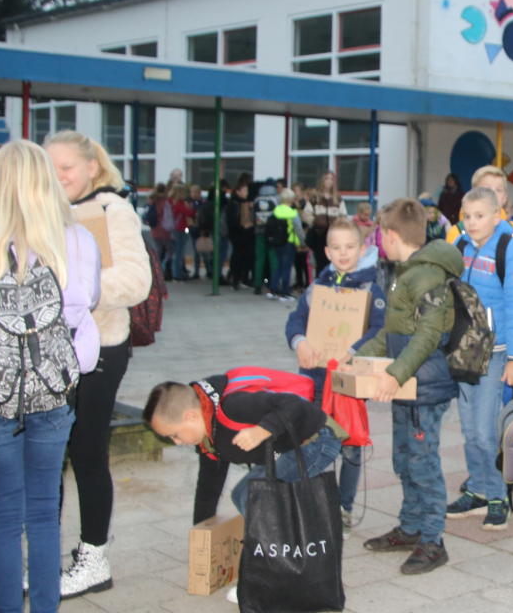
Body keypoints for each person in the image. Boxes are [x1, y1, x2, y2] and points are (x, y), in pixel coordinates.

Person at [0, 140, 103, 613]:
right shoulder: (77, 240)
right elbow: (89, 300)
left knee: (2, 515)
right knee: (43, 512)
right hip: (53, 389)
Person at [44, 131, 153, 599]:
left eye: (66, 167)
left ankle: (93, 559)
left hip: (101, 348)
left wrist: (69, 287)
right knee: (47, 456)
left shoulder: (112, 210)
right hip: (49, 350)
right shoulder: (42, 209)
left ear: (91, 167)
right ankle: (46, 557)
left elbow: (136, 280)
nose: (58, 177)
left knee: (87, 451)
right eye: (50, 168)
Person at [143, 369, 344, 604]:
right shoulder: (208, 436)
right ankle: (286, 549)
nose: (177, 443)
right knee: (243, 494)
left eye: (175, 435)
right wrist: (203, 541)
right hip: (287, 448)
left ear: (190, 417)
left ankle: (273, 578)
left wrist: (262, 430)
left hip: (316, 441)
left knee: (259, 502)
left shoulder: (231, 406)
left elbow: (293, 404)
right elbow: (208, 486)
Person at [354, 199, 462, 575]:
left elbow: (428, 335)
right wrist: (355, 359)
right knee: (404, 459)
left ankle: (433, 541)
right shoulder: (405, 272)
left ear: (390, 235)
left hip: (424, 388)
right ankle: (411, 527)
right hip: (406, 386)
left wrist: (394, 375)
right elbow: (391, 333)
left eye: (379, 233)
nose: (378, 239)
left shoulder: (427, 276)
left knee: (422, 463)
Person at [285, 217, 386, 538]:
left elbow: (379, 329)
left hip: (348, 384)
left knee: (350, 446)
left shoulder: (372, 289)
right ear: (327, 252)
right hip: (314, 381)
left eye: (350, 247)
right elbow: (295, 321)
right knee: (312, 442)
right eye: (337, 248)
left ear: (362, 249)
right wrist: (299, 341)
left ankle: (343, 507)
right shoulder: (316, 288)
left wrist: (353, 351)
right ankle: (314, 505)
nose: (343, 253)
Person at [446, 186, 513, 528]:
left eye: (479, 215)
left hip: (495, 354)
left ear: (497, 216)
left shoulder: (509, 249)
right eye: (467, 216)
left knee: (484, 430)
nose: (472, 222)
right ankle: (478, 490)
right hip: (463, 353)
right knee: (469, 429)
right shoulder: (459, 246)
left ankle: (498, 497)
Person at [445, 166, 513, 259]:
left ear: (504, 197)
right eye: (486, 189)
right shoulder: (457, 232)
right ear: (473, 194)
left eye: (499, 190)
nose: (493, 194)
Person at [268, 188, 306, 301]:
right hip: (289, 243)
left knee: (279, 266)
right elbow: (298, 229)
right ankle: (285, 293)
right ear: (292, 199)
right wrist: (304, 242)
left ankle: (273, 289)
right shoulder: (293, 213)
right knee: (287, 268)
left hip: (277, 243)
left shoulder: (275, 211)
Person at [306, 171, 342, 278]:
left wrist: (338, 225)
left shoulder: (337, 198)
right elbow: (306, 213)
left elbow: (343, 215)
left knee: (333, 262)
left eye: (331, 179)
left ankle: (332, 284)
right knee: (320, 263)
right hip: (319, 234)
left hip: (333, 235)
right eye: (327, 178)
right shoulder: (315, 197)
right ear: (322, 180)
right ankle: (320, 284)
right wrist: (316, 222)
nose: (329, 181)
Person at [251, 177, 280, 296]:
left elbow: (252, 217)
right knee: (273, 257)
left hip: (259, 231)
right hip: (273, 232)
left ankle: (258, 285)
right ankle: (274, 285)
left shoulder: (257, 199)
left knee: (259, 258)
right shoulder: (277, 198)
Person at [224, 178, 254, 290]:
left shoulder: (245, 203)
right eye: (244, 190)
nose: (246, 193)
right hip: (238, 236)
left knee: (244, 257)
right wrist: (242, 226)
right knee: (238, 257)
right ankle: (236, 279)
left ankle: (240, 278)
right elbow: (232, 221)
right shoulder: (234, 204)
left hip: (244, 235)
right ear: (238, 191)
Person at [146, 183, 175, 281]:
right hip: (163, 228)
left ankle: (155, 269)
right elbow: (167, 215)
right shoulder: (164, 201)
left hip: (154, 228)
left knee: (159, 249)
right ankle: (164, 267)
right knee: (169, 249)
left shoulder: (151, 200)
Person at [291, 183, 313, 290]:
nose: (294, 193)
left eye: (295, 190)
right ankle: (299, 282)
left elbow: (306, 219)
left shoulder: (306, 204)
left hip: (305, 233)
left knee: (305, 261)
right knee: (297, 261)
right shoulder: (293, 204)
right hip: (296, 235)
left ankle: (308, 283)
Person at [169, 184, 193, 281]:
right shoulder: (179, 203)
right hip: (180, 229)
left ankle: (177, 272)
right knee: (179, 252)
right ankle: (177, 274)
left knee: (177, 252)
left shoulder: (170, 201)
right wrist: (193, 209)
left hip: (174, 229)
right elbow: (190, 213)